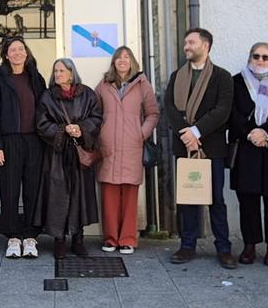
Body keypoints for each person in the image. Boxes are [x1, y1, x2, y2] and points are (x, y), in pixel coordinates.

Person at [165, 28, 236, 269]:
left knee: (215, 199)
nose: (186, 46)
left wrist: (197, 132)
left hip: (211, 148)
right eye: (185, 42)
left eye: (191, 42)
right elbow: (169, 108)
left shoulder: (222, 77)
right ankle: (187, 245)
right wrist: (186, 134)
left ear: (205, 45)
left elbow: (222, 110)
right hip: (184, 148)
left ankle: (224, 248)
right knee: (187, 198)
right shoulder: (177, 76)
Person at [228, 42, 268, 266]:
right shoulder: (237, 82)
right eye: (256, 56)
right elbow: (233, 113)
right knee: (247, 199)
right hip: (247, 149)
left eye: (266, 57)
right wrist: (251, 134)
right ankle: (249, 245)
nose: (260, 60)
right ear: (249, 58)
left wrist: (265, 132)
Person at [35, 58, 103, 258]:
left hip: (79, 154)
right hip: (56, 156)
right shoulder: (47, 97)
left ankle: (78, 239)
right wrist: (62, 129)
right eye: (55, 71)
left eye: (62, 71)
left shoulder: (87, 94)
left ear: (72, 73)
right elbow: (40, 123)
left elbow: (97, 118)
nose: (57, 74)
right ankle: (59, 241)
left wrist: (81, 129)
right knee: (58, 197)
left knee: (79, 196)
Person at [95, 46, 159, 254]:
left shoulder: (143, 85)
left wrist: (141, 133)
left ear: (132, 61)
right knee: (109, 194)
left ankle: (128, 239)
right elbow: (95, 113)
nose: (122, 61)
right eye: (118, 58)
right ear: (113, 62)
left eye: (126, 57)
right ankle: (111, 239)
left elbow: (153, 114)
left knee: (130, 194)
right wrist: (101, 133)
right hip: (109, 147)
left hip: (132, 146)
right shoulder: (104, 85)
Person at [0, 36, 47, 259]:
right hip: (8, 142)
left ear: (26, 53)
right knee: (9, 191)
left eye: (21, 49)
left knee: (33, 190)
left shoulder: (36, 78)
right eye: (13, 50)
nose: (18, 53)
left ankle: (31, 237)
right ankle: (12, 237)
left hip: (34, 141)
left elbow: (45, 110)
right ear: (6, 54)